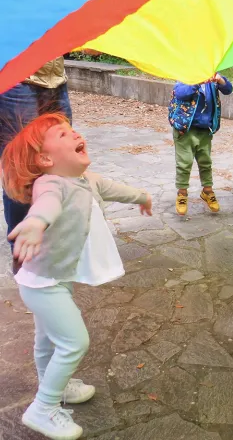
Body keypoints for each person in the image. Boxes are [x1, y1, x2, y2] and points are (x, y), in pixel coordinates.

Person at [1, 113, 152, 440]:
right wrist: (36, 223)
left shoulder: (87, 180)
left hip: (52, 279)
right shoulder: (51, 183)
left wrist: (141, 196)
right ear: (46, 158)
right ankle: (43, 407)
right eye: (62, 134)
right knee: (74, 341)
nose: (74, 135)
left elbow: (114, 188)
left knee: (47, 339)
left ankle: (54, 386)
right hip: (42, 285)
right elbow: (47, 205)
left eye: (72, 130)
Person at [0, 57, 72, 270]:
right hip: (16, 81)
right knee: (21, 169)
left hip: (56, 79)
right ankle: (23, 251)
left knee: (61, 162)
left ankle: (49, 240)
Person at [168, 73, 233, 216]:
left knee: (205, 162)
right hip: (185, 129)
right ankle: (182, 193)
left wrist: (220, 79)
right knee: (184, 162)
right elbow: (180, 93)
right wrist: (197, 81)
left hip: (205, 129)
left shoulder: (212, 76)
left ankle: (207, 191)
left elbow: (228, 89)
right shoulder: (186, 74)